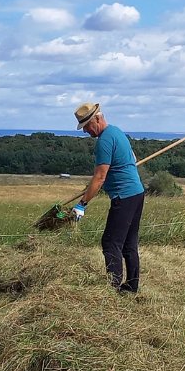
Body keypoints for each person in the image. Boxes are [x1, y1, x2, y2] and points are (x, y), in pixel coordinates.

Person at [72, 103, 145, 294]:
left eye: (87, 125)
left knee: (110, 242)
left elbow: (100, 177)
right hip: (137, 193)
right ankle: (131, 287)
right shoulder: (117, 132)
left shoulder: (104, 140)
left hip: (124, 196)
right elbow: (133, 158)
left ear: (97, 118)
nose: (86, 131)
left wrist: (82, 204)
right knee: (129, 243)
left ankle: (112, 289)